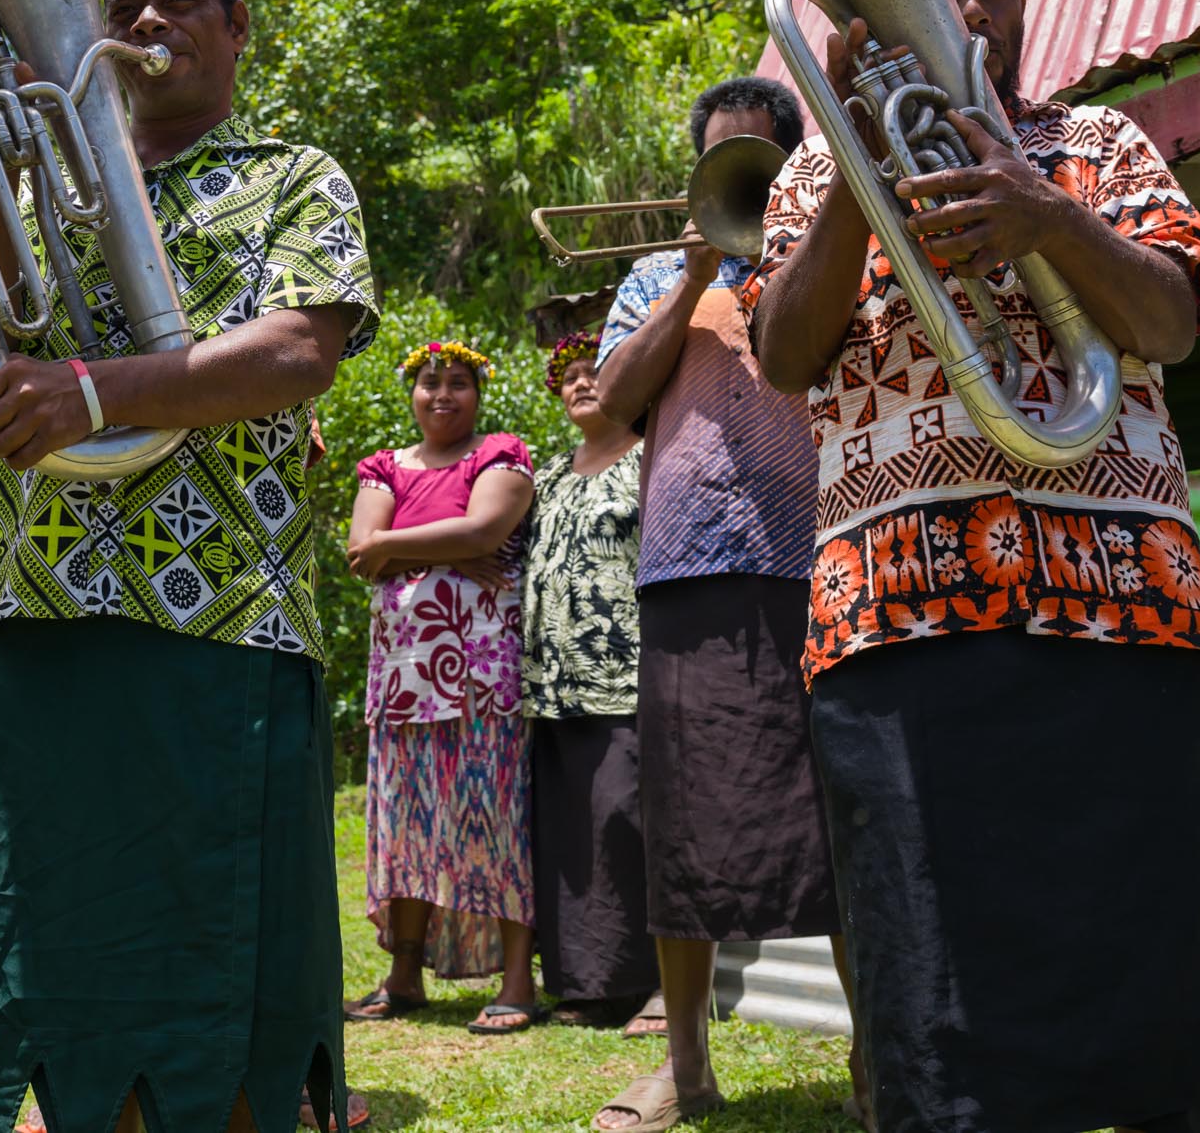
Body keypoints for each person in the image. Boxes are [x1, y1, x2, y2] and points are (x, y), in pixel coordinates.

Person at [749, 0, 1200, 1133]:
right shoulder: (815, 166)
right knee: (938, 1027)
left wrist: (1044, 214)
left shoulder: (1097, 139)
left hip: (1130, 620)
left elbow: (1172, 322)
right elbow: (783, 351)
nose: (974, 8)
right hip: (902, 628)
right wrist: (854, 161)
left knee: (1162, 1018)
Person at [0, 0, 378, 1133]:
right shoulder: (43, 181)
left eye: (178, 0)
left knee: (222, 985)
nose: (145, 23)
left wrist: (93, 390)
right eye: (120, 5)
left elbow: (295, 349)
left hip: (225, 626)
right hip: (39, 613)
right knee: (47, 972)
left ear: (236, 27)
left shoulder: (295, 174)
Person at [589, 77, 863, 1133]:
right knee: (684, 825)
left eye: (754, 155)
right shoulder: (659, 273)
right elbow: (612, 399)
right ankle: (686, 1065)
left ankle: (872, 1047)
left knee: (845, 813)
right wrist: (691, 278)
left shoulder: (838, 252)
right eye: (721, 158)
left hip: (827, 555)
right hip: (688, 569)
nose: (736, 172)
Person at [344, 340, 541, 1036]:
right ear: (412, 393)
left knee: (495, 817)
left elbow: (488, 524)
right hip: (402, 681)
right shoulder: (384, 466)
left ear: (478, 393)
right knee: (406, 827)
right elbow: (361, 549)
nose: (442, 395)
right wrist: (448, 545)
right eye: (430, 383)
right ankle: (403, 974)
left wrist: (401, 541)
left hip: (483, 677)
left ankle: (518, 980)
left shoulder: (500, 454)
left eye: (458, 383)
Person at [518, 330, 656, 1028]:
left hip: (624, 669)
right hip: (550, 680)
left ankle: (641, 981)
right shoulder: (546, 474)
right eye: (568, 375)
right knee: (566, 835)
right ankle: (579, 984)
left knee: (621, 819)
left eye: (592, 371)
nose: (580, 383)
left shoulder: (650, 459)